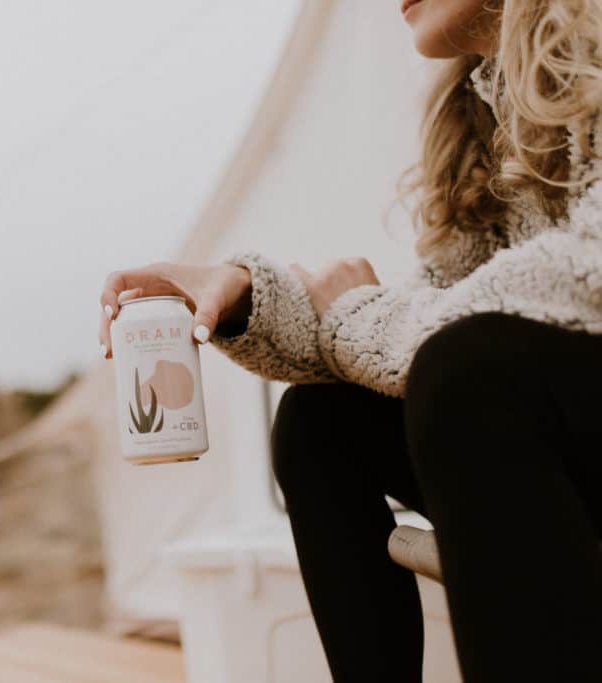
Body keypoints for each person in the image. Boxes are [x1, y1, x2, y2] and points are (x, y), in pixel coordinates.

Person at [97, 1, 602, 680]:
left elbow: (579, 276)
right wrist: (244, 294)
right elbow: (415, 323)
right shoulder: (485, 114)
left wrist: (361, 313)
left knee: (468, 369)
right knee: (324, 418)